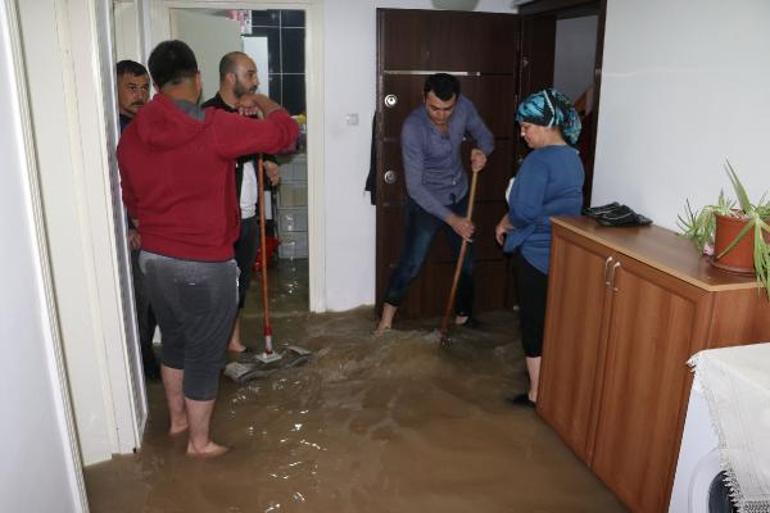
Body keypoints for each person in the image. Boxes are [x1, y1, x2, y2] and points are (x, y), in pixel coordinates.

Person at [117, 40, 298, 457]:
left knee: (176, 342)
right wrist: (264, 100)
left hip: (155, 262)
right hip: (205, 263)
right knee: (203, 352)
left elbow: (131, 197)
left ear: (157, 84)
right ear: (198, 80)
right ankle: (200, 444)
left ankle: (179, 422)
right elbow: (286, 134)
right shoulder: (213, 124)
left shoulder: (130, 136)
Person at [375, 73, 494, 334]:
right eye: (434, 108)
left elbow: (486, 136)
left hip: (459, 193)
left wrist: (481, 151)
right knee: (412, 263)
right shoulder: (412, 128)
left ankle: (464, 318)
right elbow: (415, 187)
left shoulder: (465, 108)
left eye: (447, 109)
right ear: (424, 99)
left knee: (468, 262)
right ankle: (385, 322)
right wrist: (454, 221)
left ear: (457, 101)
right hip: (426, 201)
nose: (441, 115)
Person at [495, 88, 584, 407]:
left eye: (526, 127)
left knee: (532, 322)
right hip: (563, 253)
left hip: (534, 254)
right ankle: (554, 383)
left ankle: (536, 392)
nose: (522, 133)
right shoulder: (573, 159)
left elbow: (524, 212)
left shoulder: (537, 161)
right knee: (554, 320)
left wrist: (505, 223)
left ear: (547, 124)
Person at [201, 51, 280, 355]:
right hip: (220, 220)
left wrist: (269, 162)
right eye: (250, 74)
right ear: (230, 78)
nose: (256, 81)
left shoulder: (248, 112)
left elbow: (264, 143)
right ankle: (211, 345)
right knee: (218, 287)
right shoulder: (208, 114)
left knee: (241, 282)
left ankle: (232, 340)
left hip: (248, 214)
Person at [116, 59, 159, 380]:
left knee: (157, 301)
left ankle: (148, 361)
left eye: (145, 88)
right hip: (133, 231)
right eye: (131, 88)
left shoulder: (145, 127)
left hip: (157, 227)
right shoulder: (111, 129)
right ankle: (143, 366)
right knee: (140, 303)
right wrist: (127, 225)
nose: (140, 95)